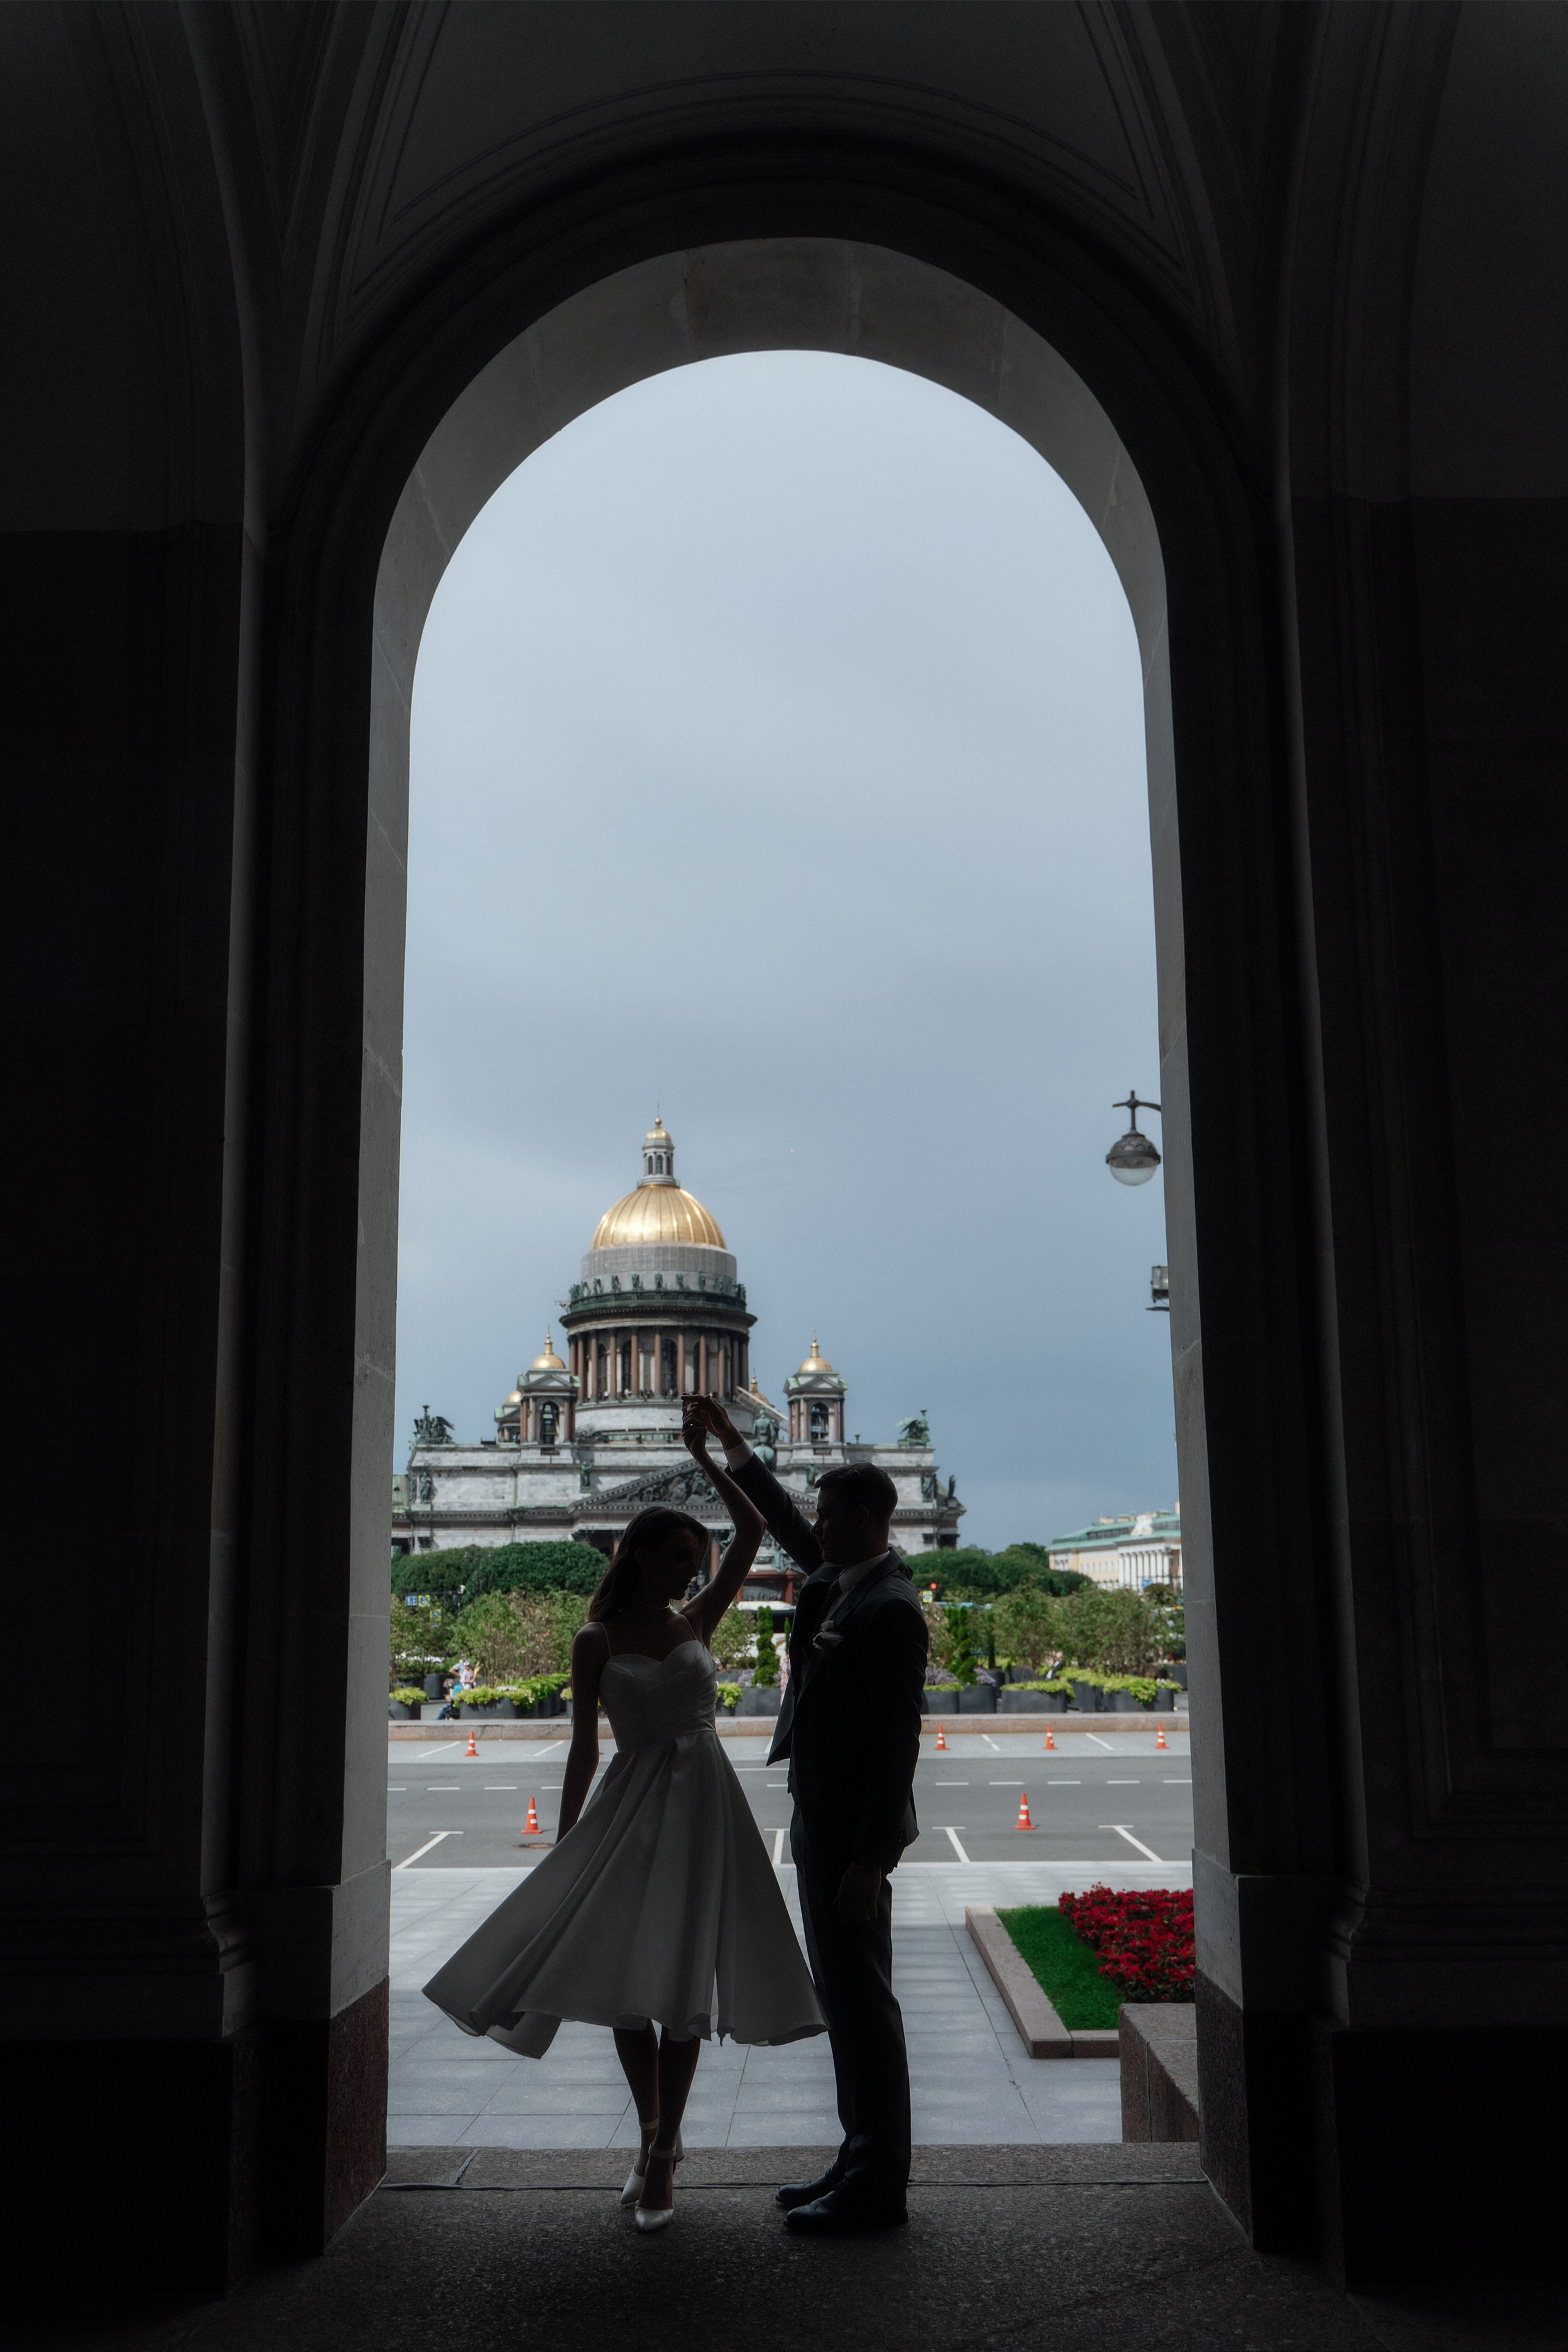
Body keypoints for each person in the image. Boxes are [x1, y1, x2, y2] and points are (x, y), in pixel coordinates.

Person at [422, 1414, 823, 2231]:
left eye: (695, 1559)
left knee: (680, 1989)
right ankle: (653, 2136)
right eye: (677, 1557)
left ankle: (664, 2146)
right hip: (632, 1808)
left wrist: (705, 1459)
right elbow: (579, 1750)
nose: (691, 1569)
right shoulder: (595, 1638)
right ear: (636, 1552)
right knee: (633, 1990)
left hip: (704, 1807)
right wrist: (567, 1843)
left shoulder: (696, 1621)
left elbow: (750, 1528)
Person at [687, 1395, 927, 2235]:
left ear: (863, 1519)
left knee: (864, 2003)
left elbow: (898, 1745)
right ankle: (856, 2155)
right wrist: (730, 1445)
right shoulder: (842, 1580)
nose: (816, 1529)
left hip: (852, 1842)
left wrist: (869, 1861)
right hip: (824, 1826)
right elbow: (786, 1523)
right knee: (847, 1999)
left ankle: (876, 2184)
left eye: (830, 1516)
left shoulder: (888, 1606)